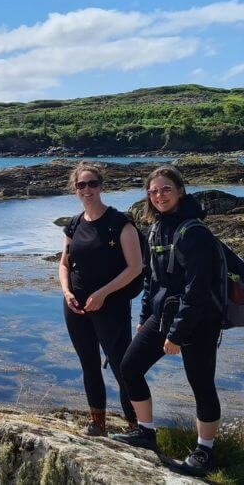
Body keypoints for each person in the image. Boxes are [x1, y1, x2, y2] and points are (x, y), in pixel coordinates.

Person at [112, 165, 223, 477]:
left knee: (201, 384)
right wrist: (145, 318)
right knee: (129, 367)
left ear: (180, 192)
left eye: (165, 189)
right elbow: (152, 280)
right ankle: (146, 433)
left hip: (199, 321)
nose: (159, 195)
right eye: (154, 191)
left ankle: (205, 451)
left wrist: (176, 335)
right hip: (164, 316)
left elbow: (197, 291)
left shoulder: (195, 233)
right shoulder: (157, 228)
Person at [58, 162, 143, 436]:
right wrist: (67, 292)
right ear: (75, 189)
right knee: (89, 365)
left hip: (111, 306)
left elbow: (135, 267)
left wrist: (102, 294)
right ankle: (98, 423)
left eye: (92, 183)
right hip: (76, 307)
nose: (87, 189)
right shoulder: (73, 225)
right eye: (81, 185)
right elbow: (63, 264)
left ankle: (137, 427)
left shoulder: (119, 223)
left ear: (102, 186)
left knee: (123, 367)